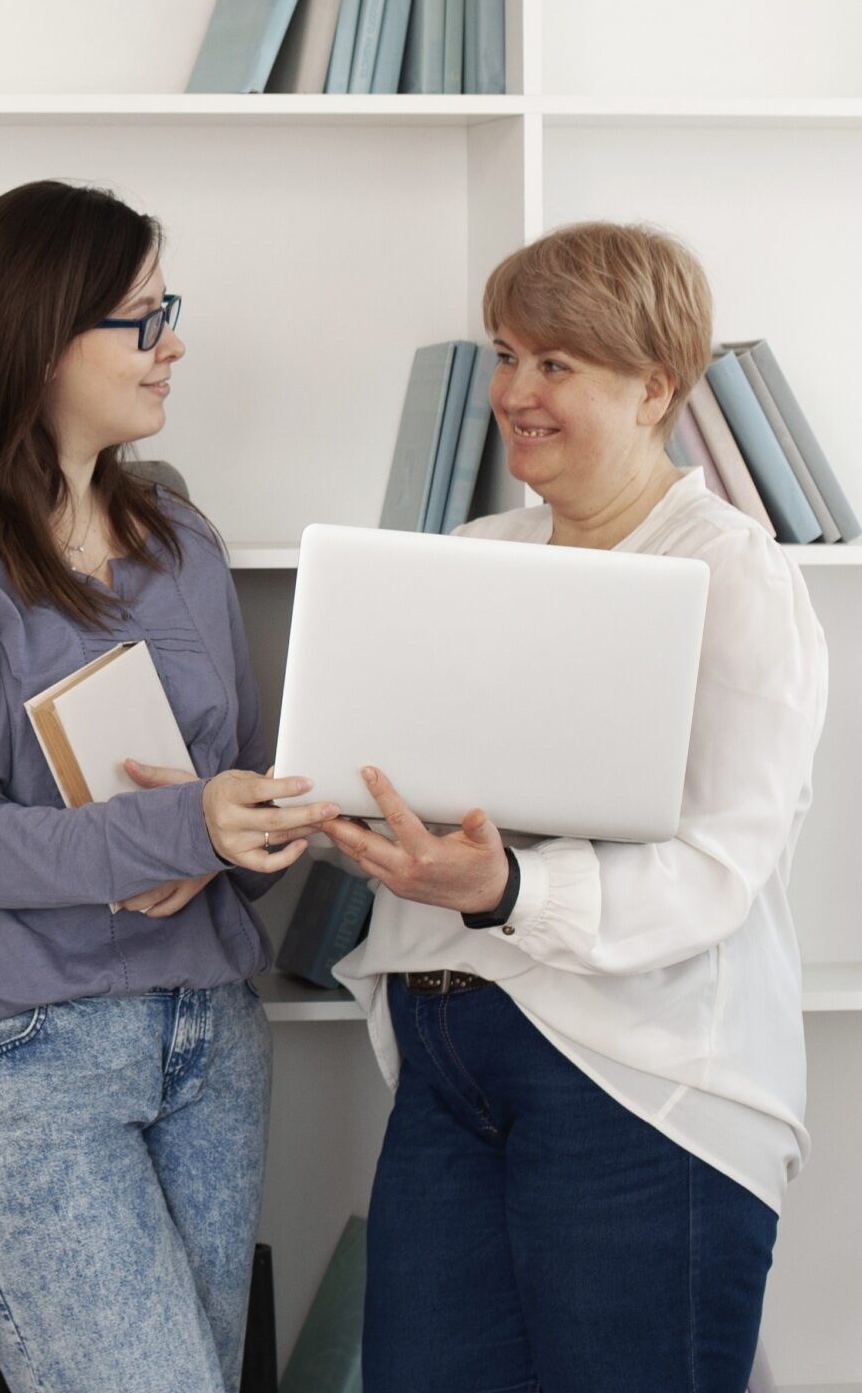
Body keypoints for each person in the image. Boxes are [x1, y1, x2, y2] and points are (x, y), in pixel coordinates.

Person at [0, 180, 334, 1391]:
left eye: (167, 307)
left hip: (206, 1036)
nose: (173, 342)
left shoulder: (182, 538)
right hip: (13, 1055)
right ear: (37, 332)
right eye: (138, 315)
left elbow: (254, 783)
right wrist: (178, 825)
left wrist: (232, 836)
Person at [327, 222, 826, 1393]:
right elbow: (426, 807)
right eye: (507, 357)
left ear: (654, 386)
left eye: (556, 365)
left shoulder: (730, 571)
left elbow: (718, 864)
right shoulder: (472, 550)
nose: (513, 394)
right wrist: (313, 817)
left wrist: (507, 890)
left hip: (634, 1081)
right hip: (450, 1057)